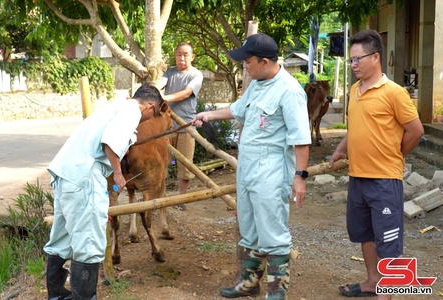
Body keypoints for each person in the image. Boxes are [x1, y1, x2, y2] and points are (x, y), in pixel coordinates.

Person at [191, 33, 311, 300]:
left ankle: (276, 293)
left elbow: (301, 139)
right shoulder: (257, 83)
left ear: (265, 61)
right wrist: (208, 114)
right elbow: (238, 109)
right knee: (250, 228)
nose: (244, 65)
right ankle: (249, 283)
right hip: (248, 168)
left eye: (248, 61)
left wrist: (300, 177)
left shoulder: (289, 91)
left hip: (271, 170)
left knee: (273, 231)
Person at [43, 84, 163, 300]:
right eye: (153, 115)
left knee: (61, 241)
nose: (149, 120)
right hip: (84, 177)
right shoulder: (131, 111)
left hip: (66, 175)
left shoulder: (113, 108)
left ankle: (57, 296)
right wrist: (118, 174)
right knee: (89, 245)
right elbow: (111, 142)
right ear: (150, 107)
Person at [329, 30, 424, 299]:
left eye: (358, 59)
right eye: (351, 60)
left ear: (376, 57)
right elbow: (356, 127)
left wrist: (397, 155)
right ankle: (373, 282)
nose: (354, 65)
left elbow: (415, 130)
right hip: (357, 177)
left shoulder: (394, 92)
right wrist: (339, 150)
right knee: (365, 234)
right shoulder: (354, 91)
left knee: (388, 241)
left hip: (384, 180)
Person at [157, 41, 203, 210]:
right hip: (167, 125)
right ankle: (157, 197)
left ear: (192, 57)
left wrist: (165, 98)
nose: (182, 58)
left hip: (186, 126)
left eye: (185, 54)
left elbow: (186, 93)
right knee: (160, 161)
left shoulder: (196, 75)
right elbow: (159, 84)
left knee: (185, 165)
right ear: (175, 56)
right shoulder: (169, 72)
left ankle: (180, 200)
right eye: (179, 54)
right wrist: (151, 92)